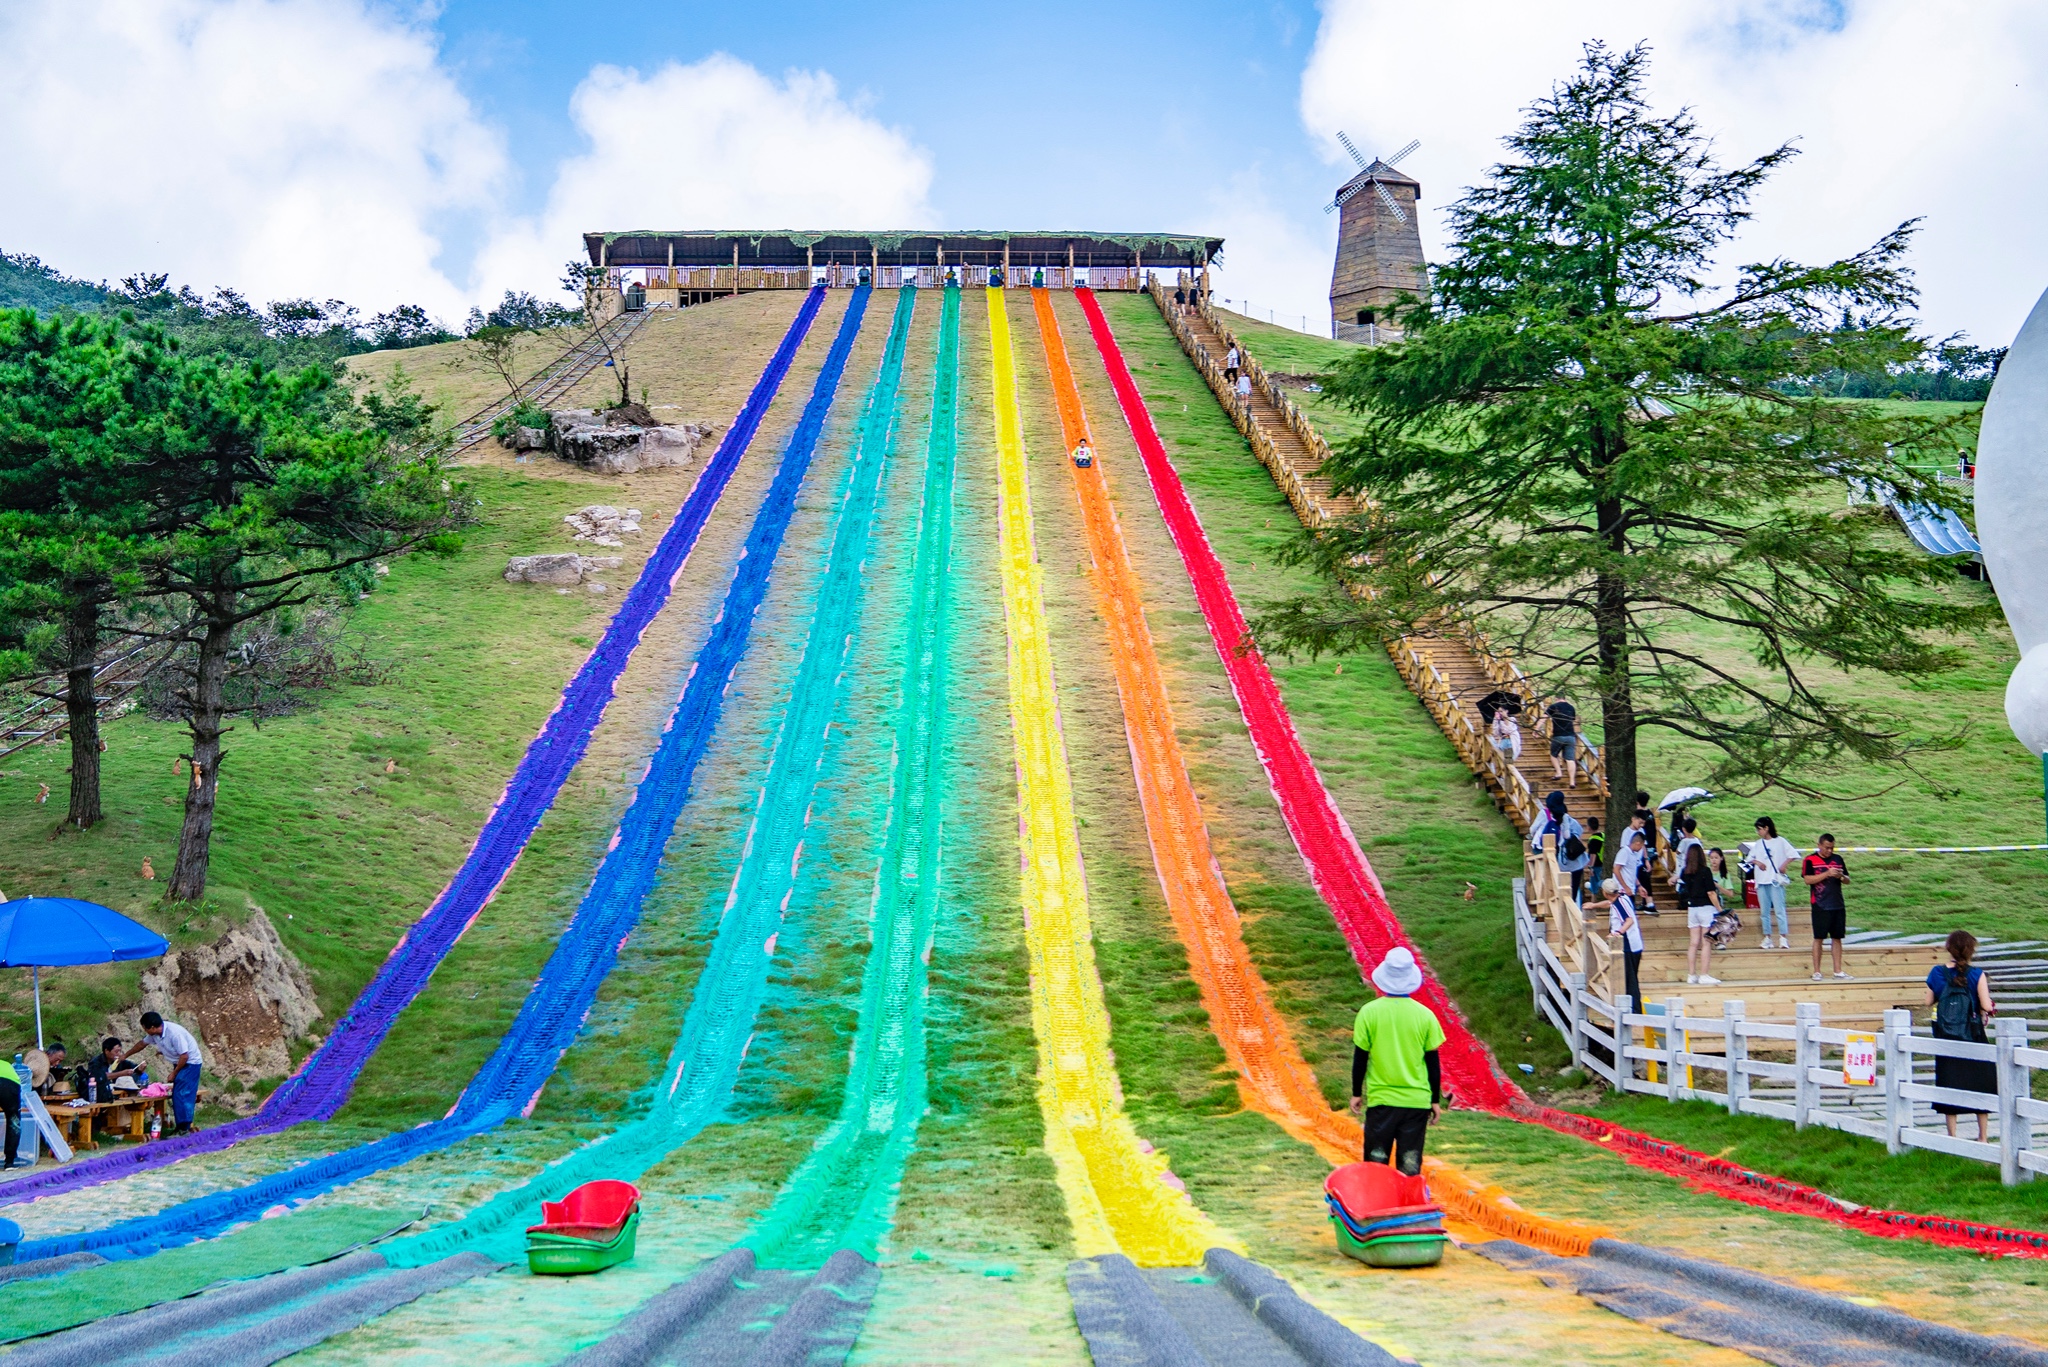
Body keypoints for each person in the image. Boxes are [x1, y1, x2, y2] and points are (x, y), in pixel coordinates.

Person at [1348, 947, 1445, 1175]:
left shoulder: (1368, 1013)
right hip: (1416, 1103)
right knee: (1410, 1165)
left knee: (1376, 1163)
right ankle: (1408, 1206)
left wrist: (1356, 1093)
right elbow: (1432, 1062)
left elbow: (1360, 1057)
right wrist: (1434, 1099)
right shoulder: (1425, 1015)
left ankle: (1378, 1207)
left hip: (1382, 1101)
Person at [1924, 930, 1996, 1142]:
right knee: (1981, 1082)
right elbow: (1985, 1004)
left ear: (1949, 949)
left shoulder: (1936, 972)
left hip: (1946, 1035)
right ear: (1971, 950)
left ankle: (1952, 1135)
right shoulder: (1977, 974)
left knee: (1949, 1079)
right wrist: (1990, 1009)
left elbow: (1928, 1002)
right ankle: (1982, 1136)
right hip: (1973, 1034)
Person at [122, 1011, 203, 1135]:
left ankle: (183, 1127)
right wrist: (125, 1055)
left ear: (153, 1028)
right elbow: (142, 1044)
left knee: (182, 1093)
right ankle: (182, 1126)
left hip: (191, 1063)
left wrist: (174, 1073)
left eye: (145, 1028)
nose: (145, 1031)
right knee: (178, 1092)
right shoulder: (156, 1034)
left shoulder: (174, 1034)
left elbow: (184, 1056)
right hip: (180, 1062)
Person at [1743, 816, 1799, 951]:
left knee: (1780, 910)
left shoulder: (1780, 842)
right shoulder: (1758, 844)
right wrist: (1758, 862)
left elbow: (1793, 854)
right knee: (1764, 912)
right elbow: (1749, 859)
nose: (1758, 832)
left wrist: (1784, 865)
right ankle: (1767, 937)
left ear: (1767, 828)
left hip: (1775, 881)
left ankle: (1783, 937)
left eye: (1760, 829)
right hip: (1762, 881)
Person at [1802, 834, 1852, 981]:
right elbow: (1807, 879)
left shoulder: (1838, 859)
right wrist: (1827, 873)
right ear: (1819, 845)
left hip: (1837, 904)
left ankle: (1838, 970)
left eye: (1832, 848)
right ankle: (1817, 971)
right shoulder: (1809, 860)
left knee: (1837, 937)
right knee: (1819, 938)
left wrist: (1841, 876)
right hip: (1820, 904)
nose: (1829, 851)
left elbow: (1848, 880)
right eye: (1826, 848)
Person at [1588, 877, 1643, 1010]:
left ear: (1605, 892)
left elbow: (1629, 920)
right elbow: (1609, 903)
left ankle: (1634, 1011)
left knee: (1630, 980)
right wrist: (1594, 905)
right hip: (1636, 945)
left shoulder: (1619, 903)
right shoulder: (1622, 897)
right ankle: (1629, 1007)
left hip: (1628, 946)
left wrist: (1618, 932)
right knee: (1629, 978)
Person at [1676, 844, 1723, 985]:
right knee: (1706, 942)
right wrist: (1720, 909)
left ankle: (1691, 975)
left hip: (1692, 909)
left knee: (1693, 943)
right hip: (1706, 909)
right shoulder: (1705, 871)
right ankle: (1704, 974)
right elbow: (1711, 892)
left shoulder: (1685, 872)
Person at [1531, 790, 1589, 902]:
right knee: (1572, 892)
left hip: (1558, 860)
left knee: (1555, 889)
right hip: (1574, 860)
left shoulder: (1545, 814)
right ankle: (1570, 913)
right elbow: (1575, 833)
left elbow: (1533, 829)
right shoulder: (1568, 819)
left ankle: (1559, 910)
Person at [1616, 827, 1656, 915]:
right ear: (1638, 843)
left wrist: (1639, 886)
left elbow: (1633, 874)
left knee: (1631, 916)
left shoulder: (1634, 855)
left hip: (1631, 890)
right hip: (1623, 891)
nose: (1641, 849)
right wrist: (1625, 887)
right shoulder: (1624, 852)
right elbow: (1616, 870)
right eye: (1642, 846)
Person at [1544, 696, 1581, 787]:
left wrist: (1536, 729)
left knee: (1553, 755)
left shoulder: (1554, 707)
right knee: (1570, 759)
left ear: (1556, 698)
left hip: (1558, 735)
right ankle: (1572, 781)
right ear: (1565, 698)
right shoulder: (1571, 707)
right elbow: (1572, 720)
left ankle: (1559, 772)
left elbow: (1543, 717)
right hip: (1570, 736)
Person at [0, 1052, 22, 1169]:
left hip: (10, 1082)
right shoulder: (8, 1066)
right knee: (14, 1121)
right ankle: (9, 1162)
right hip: (11, 1085)